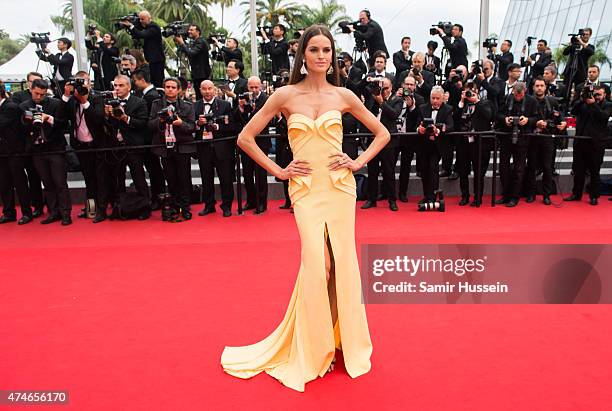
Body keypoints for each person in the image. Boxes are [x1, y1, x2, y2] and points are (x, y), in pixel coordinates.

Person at [221, 25, 390, 392]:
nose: (321, 57)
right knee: (318, 263)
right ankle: (316, 347)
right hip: (305, 190)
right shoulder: (285, 95)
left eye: (327, 50)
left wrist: (357, 162)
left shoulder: (344, 95)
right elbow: (245, 138)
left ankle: (335, 341)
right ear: (303, 54)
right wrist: (279, 170)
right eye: (314, 50)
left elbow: (383, 133)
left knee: (341, 264)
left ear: (332, 56)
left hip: (340, 188)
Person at [149, 78, 195, 220]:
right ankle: (174, 206)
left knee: (185, 179)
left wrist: (181, 123)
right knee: (171, 179)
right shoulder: (156, 105)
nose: (170, 89)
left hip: (182, 147)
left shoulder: (187, 106)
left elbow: (192, 126)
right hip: (165, 147)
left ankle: (186, 207)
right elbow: (150, 125)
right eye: (167, 87)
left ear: (178, 90)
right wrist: (161, 120)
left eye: (173, 87)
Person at [564, 85, 612, 205]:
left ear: (604, 95)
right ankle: (576, 193)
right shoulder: (583, 103)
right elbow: (573, 111)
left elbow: (603, 117)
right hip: (580, 141)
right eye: (594, 94)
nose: (596, 97)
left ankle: (594, 196)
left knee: (595, 171)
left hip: (596, 143)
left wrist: (593, 104)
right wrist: (582, 99)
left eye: (598, 95)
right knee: (578, 170)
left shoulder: (607, 105)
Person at [121, 11, 165, 87]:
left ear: (149, 18)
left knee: (157, 80)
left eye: (142, 19)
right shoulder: (146, 26)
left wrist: (131, 25)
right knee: (152, 79)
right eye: (139, 19)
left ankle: (160, 94)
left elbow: (141, 34)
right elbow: (137, 32)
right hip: (151, 59)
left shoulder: (154, 27)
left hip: (157, 59)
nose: (140, 21)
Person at [175, 24, 211, 100]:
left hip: (202, 74)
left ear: (197, 32)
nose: (189, 32)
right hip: (197, 73)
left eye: (191, 30)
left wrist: (182, 43)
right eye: (189, 30)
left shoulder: (200, 42)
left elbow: (191, 53)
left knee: (201, 96)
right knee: (199, 95)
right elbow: (187, 50)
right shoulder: (195, 42)